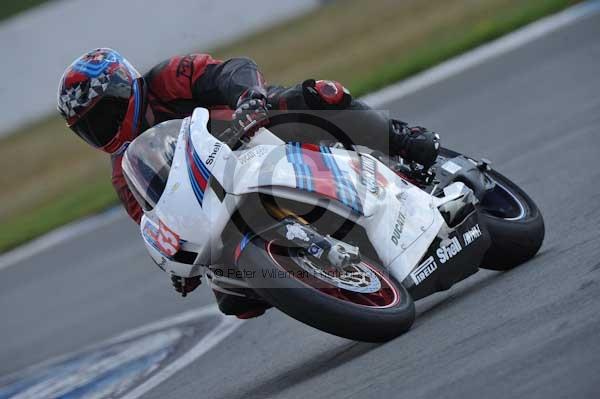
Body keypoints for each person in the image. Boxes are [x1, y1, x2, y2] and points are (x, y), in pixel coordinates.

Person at [57, 48, 440, 318]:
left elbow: (231, 70)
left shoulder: (167, 78)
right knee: (234, 302)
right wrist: (177, 265)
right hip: (221, 201)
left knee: (313, 95)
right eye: (88, 128)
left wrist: (250, 98)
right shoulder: (125, 171)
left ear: (125, 88)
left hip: (250, 129)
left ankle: (402, 139)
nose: (101, 129)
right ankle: (309, 277)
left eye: (104, 114)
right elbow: (155, 221)